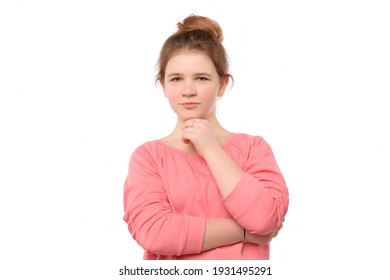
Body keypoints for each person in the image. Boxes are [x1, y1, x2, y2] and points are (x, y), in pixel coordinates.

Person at [123, 14, 289, 260]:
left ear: (221, 85)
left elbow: (264, 218)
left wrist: (210, 147)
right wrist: (243, 232)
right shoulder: (148, 157)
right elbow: (154, 232)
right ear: (164, 86)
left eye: (201, 78)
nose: (188, 90)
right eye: (177, 79)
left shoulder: (253, 149)